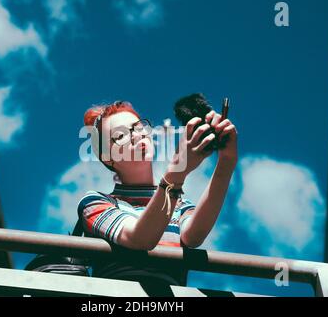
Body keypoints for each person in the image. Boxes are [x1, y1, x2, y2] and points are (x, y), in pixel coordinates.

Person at [77, 100, 238, 288]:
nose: (136, 136)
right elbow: (139, 238)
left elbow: (194, 236)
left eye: (138, 127)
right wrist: (177, 172)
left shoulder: (178, 203)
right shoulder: (95, 202)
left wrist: (227, 159)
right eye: (120, 135)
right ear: (107, 158)